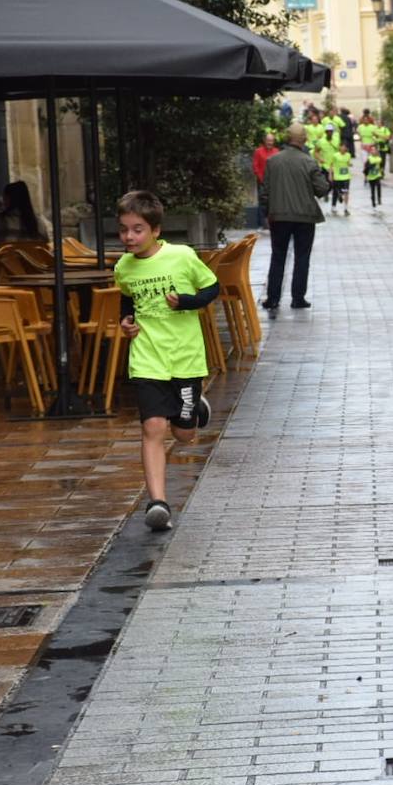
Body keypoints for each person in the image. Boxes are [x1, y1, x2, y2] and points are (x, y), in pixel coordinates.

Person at [113, 190, 219, 531]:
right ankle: (157, 503)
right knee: (153, 427)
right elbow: (127, 301)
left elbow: (212, 289)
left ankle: (195, 409)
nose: (129, 236)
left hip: (184, 357)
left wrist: (186, 302)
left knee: (184, 435)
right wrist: (126, 322)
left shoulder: (182, 256)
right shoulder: (124, 267)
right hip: (146, 358)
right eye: (124, 229)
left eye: (138, 229)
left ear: (156, 230)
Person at [260, 123, 330, 315]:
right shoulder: (308, 162)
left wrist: (267, 214)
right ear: (304, 140)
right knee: (302, 257)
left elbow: (264, 192)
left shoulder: (273, 161)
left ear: (287, 138)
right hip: (305, 218)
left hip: (279, 217)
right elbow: (322, 189)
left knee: (278, 256)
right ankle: (298, 298)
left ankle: (273, 299)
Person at [0, 180, 52, 255]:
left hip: (5, 265)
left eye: (5, 196)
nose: (2, 199)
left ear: (9, 198)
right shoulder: (39, 224)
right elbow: (46, 249)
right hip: (32, 266)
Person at [329, 142, 352, 216]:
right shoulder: (335, 155)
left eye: (345, 147)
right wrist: (330, 175)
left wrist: (350, 164)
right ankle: (333, 206)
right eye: (342, 146)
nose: (343, 148)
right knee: (336, 192)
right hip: (337, 177)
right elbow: (331, 165)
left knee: (346, 192)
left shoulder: (348, 155)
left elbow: (348, 163)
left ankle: (346, 208)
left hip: (346, 176)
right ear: (339, 147)